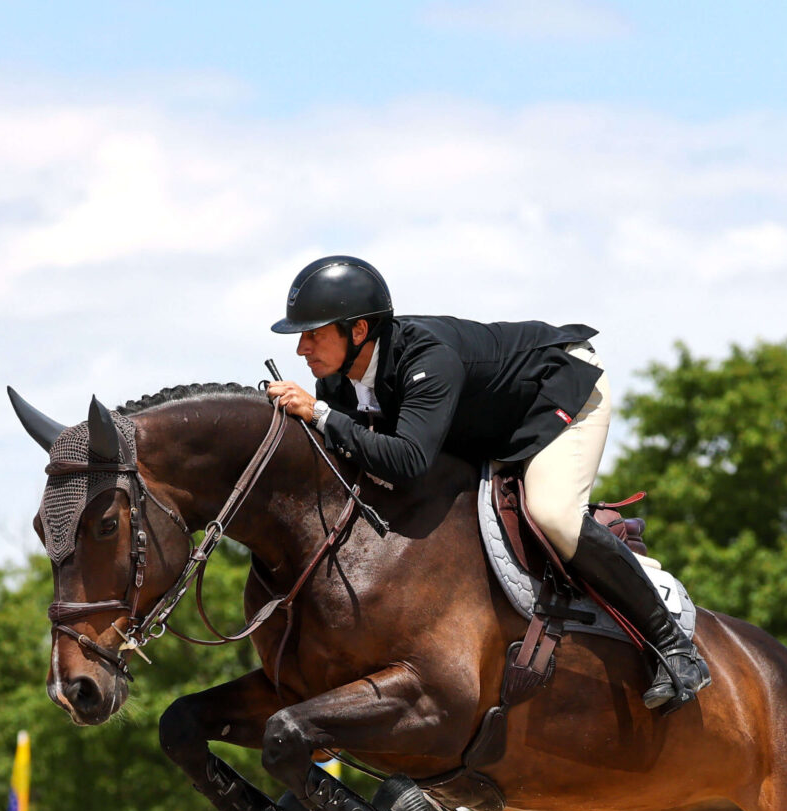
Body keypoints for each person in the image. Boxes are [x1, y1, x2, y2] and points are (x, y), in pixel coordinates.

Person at [261, 255, 710, 710]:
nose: (302, 349)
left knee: (552, 513)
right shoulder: (337, 382)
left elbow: (410, 459)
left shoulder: (427, 360)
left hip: (554, 393)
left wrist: (319, 416)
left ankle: (672, 646)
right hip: (480, 421)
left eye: (313, 334)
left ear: (358, 332)